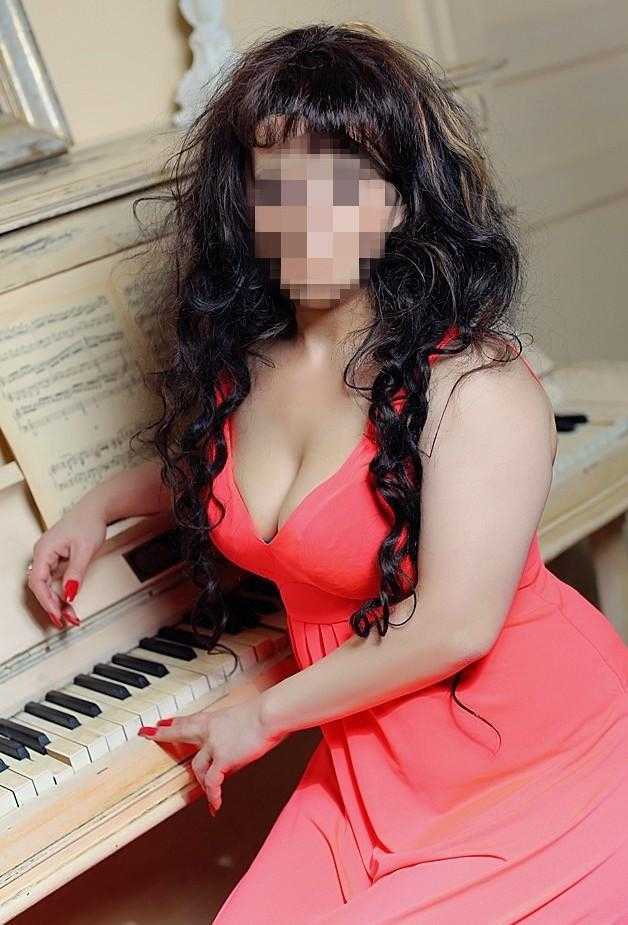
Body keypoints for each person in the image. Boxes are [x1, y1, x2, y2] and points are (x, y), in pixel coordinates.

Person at [28, 22, 628, 924]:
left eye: (342, 185)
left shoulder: (477, 388)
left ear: (397, 205)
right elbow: (217, 472)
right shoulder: (249, 370)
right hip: (372, 765)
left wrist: (264, 711)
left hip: (539, 769)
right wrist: (97, 507)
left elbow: (456, 625)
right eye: (279, 185)